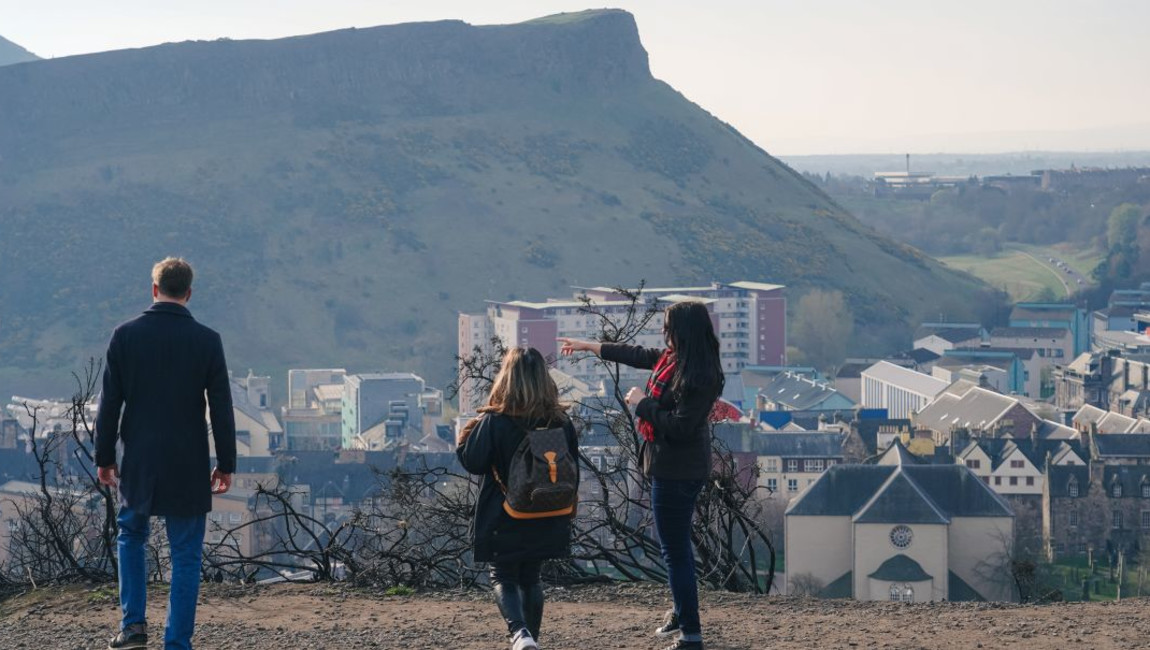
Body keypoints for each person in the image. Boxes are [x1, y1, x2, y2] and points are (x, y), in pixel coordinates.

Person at [559, 300, 723, 650]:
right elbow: (637, 354)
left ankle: (690, 635)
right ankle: (681, 612)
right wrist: (591, 346)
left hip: (678, 471)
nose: (665, 334)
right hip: (671, 467)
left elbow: (680, 427)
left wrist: (642, 403)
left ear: (684, 331)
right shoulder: (676, 360)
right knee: (674, 549)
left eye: (669, 328)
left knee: (674, 552)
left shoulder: (699, 375)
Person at [96, 257, 237, 650]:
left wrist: (104, 457)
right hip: (188, 459)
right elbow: (221, 407)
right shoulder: (207, 340)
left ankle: (134, 628)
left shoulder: (124, 335)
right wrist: (226, 464)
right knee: (186, 554)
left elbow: (110, 404)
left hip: (139, 456)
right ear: (188, 293)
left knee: (131, 536)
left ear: (154, 289)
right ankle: (177, 642)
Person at [457, 347, 580, 650]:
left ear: (506, 379)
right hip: (547, 511)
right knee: (531, 576)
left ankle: (519, 633)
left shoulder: (497, 421)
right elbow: (572, 464)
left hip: (506, 512)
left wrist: (465, 436)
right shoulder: (559, 421)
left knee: (504, 575)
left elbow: (473, 462)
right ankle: (530, 639)